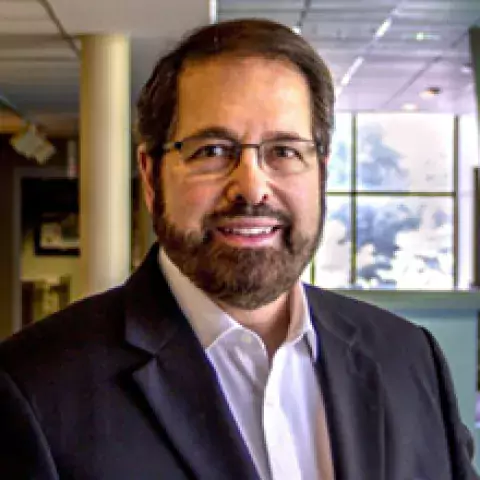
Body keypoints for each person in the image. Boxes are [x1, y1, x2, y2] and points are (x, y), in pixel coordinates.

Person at [0, 18, 477, 480]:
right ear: (151, 176)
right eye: (211, 150)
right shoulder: (33, 390)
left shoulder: (409, 357)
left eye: (284, 151)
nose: (251, 187)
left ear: (322, 173)